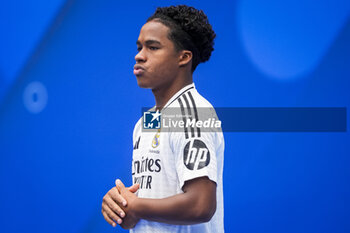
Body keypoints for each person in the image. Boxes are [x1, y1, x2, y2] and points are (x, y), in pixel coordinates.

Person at [101, 5, 224, 232]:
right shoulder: (145, 123)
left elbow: (201, 204)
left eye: (153, 47)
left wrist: (138, 206)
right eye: (139, 47)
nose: (139, 55)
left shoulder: (192, 113)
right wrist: (122, 204)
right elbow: (150, 201)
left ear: (183, 57)